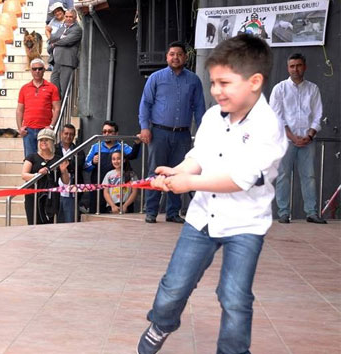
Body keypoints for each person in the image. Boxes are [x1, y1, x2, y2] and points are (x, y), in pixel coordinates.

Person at [135, 34, 288, 354]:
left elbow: (240, 179)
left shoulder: (268, 126)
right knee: (174, 287)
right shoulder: (212, 117)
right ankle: (161, 322)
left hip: (246, 223)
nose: (216, 91)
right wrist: (178, 172)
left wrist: (189, 185)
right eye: (213, 83)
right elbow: (199, 157)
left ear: (254, 81)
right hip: (203, 215)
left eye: (224, 83)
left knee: (234, 297)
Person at [138, 41, 205, 224]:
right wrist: (144, 127)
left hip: (182, 134)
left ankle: (173, 212)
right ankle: (151, 211)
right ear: (167, 57)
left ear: (185, 57)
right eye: (172, 54)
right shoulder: (156, 78)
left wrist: (204, 133)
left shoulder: (193, 80)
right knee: (155, 172)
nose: (175, 57)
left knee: (179, 173)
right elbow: (145, 104)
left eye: (179, 54)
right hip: (159, 133)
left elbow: (199, 108)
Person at [270, 53, 326, 224]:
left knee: (309, 176)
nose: (295, 69)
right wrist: (293, 137)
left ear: (305, 67)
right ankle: (284, 213)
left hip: (307, 141)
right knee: (283, 176)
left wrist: (309, 135)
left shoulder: (313, 89)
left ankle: (311, 212)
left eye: (299, 65)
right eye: (292, 66)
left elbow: (318, 114)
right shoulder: (279, 89)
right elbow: (277, 117)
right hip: (286, 141)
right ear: (288, 68)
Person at [84, 120, 138, 214]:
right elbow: (85, 166)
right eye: (104, 131)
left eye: (110, 131)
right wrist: (92, 162)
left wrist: (137, 144)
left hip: (118, 192)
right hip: (98, 189)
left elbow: (133, 155)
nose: (106, 134)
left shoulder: (122, 146)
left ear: (116, 134)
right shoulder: (95, 147)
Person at [21, 128, 69, 225]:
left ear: (51, 142)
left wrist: (64, 171)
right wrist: (37, 174)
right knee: (33, 222)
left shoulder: (58, 159)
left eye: (46, 140)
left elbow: (66, 182)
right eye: (41, 140)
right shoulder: (32, 157)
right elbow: (24, 175)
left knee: (49, 223)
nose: (43, 142)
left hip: (51, 197)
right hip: (33, 195)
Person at [16, 58, 61, 157]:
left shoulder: (52, 88)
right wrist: (20, 128)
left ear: (44, 70)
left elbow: (57, 108)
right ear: (31, 70)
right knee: (29, 159)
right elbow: (19, 110)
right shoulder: (24, 89)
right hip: (28, 130)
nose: (37, 71)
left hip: (45, 129)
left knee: (46, 158)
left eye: (40, 69)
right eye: (34, 69)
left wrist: (51, 126)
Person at [48, 9, 82, 96]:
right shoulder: (62, 28)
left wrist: (55, 43)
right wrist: (56, 41)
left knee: (64, 90)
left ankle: (62, 109)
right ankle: (56, 109)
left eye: (71, 17)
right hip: (57, 62)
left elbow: (67, 41)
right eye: (66, 16)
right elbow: (52, 38)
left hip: (67, 62)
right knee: (54, 89)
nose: (68, 19)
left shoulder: (77, 29)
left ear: (75, 17)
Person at [55, 123, 84, 223]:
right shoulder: (54, 149)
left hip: (72, 192)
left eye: (71, 134)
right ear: (61, 134)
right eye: (66, 133)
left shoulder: (79, 150)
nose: (68, 136)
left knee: (70, 221)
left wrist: (63, 165)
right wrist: (68, 164)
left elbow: (77, 165)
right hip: (56, 191)